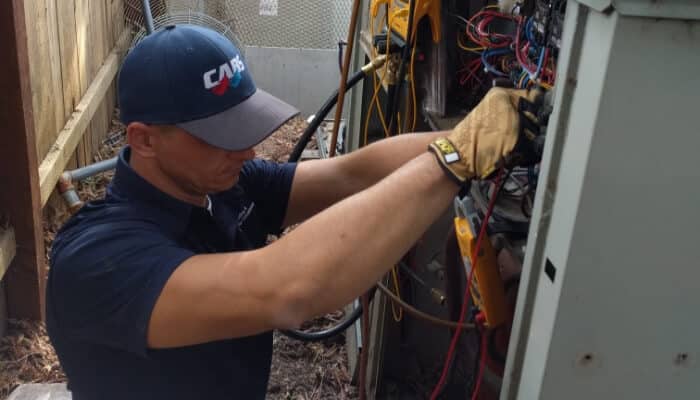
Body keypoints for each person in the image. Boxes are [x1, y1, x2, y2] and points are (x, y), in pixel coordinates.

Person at [46, 24, 539, 400]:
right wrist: (453, 162)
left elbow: (350, 175)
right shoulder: (98, 261)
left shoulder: (225, 185)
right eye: (221, 136)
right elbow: (287, 289)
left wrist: (477, 136)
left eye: (246, 125)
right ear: (143, 140)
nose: (246, 150)